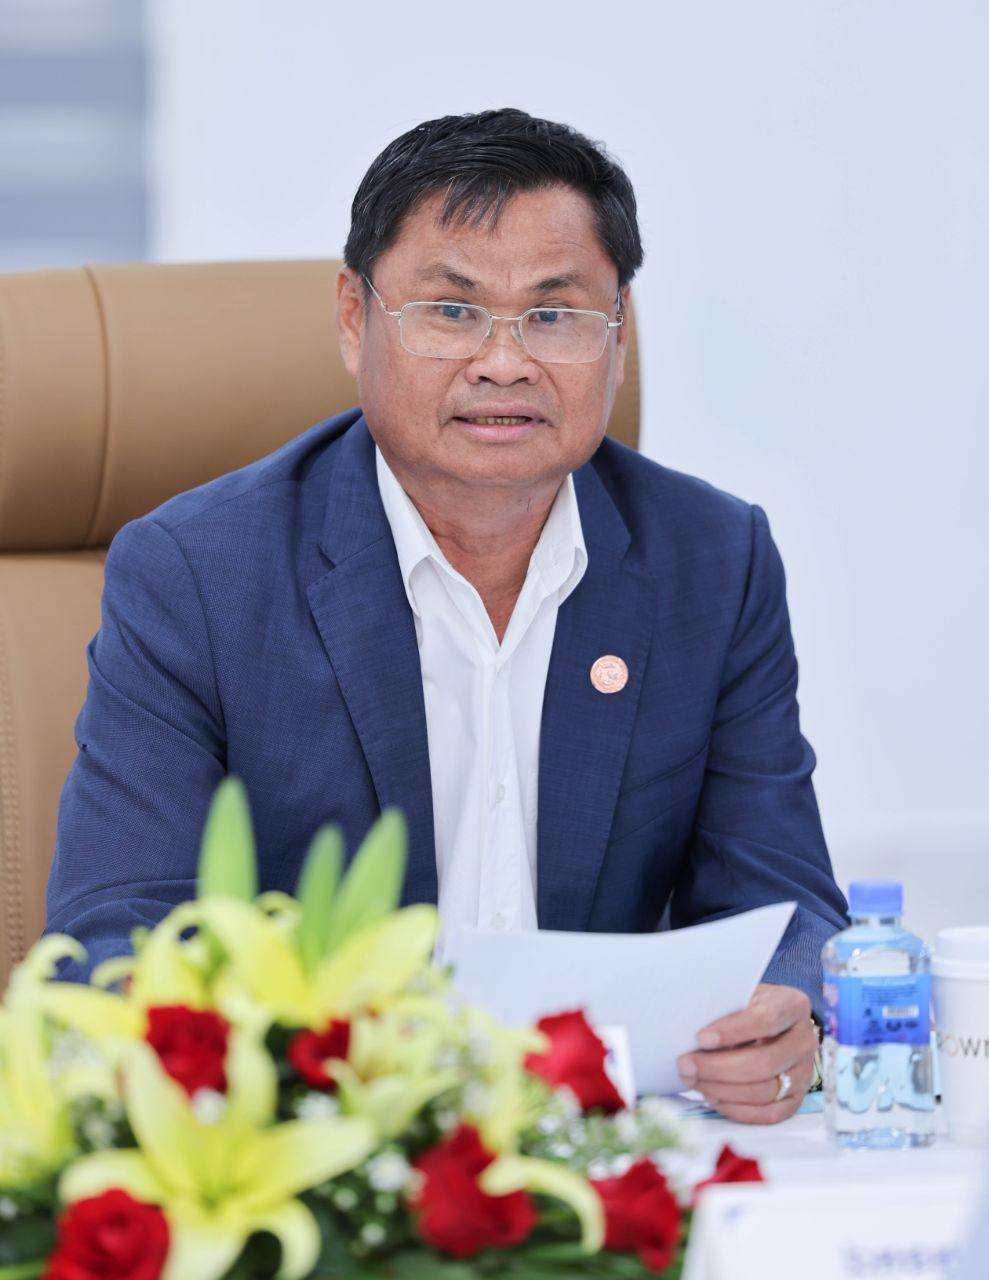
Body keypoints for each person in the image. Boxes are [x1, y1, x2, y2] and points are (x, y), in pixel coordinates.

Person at [45, 107, 848, 1124]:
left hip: (607, 1135)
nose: (504, 362)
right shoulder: (198, 573)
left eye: (554, 315)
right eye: (452, 310)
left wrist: (787, 1012)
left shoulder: (711, 560)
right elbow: (116, 933)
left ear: (618, 333)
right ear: (354, 317)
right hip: (330, 1138)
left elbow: (784, 901)